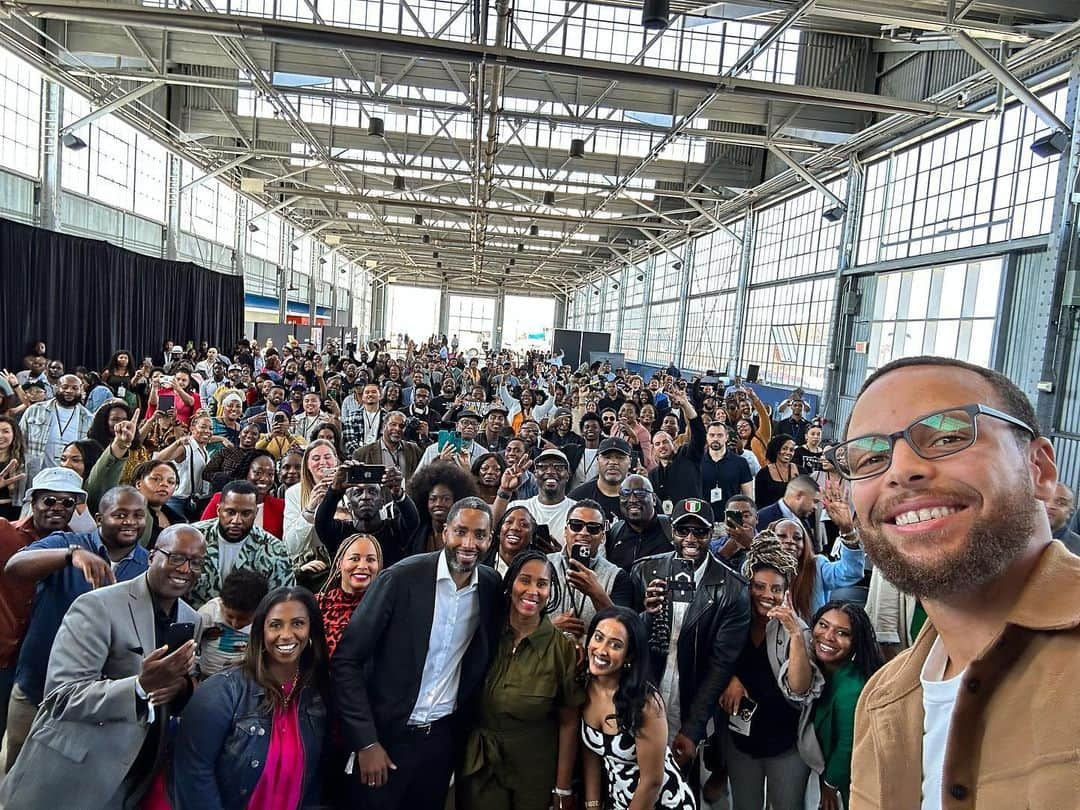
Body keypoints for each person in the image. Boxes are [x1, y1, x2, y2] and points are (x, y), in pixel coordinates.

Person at [838, 356, 1073, 808]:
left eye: (948, 436)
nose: (900, 469)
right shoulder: (881, 703)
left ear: (1039, 469)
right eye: (869, 457)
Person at [0, 523, 204, 810]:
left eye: (196, 562)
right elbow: (60, 697)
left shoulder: (192, 619)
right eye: (176, 558)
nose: (185, 569)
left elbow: (174, 690)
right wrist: (139, 687)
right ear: (151, 556)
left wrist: (182, 688)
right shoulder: (97, 605)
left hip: (133, 779)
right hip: (72, 775)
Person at [332, 496, 503, 809]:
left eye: (479, 535)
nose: (469, 543)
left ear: (490, 539)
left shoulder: (490, 587)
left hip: (440, 742)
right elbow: (347, 661)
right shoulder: (400, 579)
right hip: (384, 739)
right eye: (461, 531)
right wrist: (366, 741)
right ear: (444, 532)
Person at [3, 485, 150, 768]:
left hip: (92, 702)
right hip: (37, 687)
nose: (130, 522)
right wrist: (70, 556)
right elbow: (15, 566)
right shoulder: (66, 542)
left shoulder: (147, 567)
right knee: (18, 773)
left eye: (137, 515)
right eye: (120, 515)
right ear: (99, 517)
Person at [172, 587, 330, 810]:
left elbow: (315, 781)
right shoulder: (222, 691)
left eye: (298, 623)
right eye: (275, 625)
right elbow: (194, 772)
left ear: (311, 630)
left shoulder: (317, 695)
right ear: (260, 631)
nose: (286, 634)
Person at [457, 550, 584, 810]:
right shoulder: (484, 634)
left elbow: (569, 722)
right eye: (524, 580)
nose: (533, 591)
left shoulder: (562, 649)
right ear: (511, 583)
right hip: (481, 766)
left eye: (542, 584)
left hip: (534, 770)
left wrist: (562, 787)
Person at [634, 498, 751, 771]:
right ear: (671, 532)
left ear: (712, 534)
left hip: (690, 701)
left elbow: (721, 664)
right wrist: (647, 616)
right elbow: (626, 637)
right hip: (644, 697)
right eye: (682, 530)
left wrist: (693, 729)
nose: (690, 538)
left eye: (699, 532)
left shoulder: (733, 589)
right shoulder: (643, 571)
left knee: (681, 785)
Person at [720, 534, 821, 810]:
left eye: (776, 589)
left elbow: (800, 689)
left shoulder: (796, 627)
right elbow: (712, 658)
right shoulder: (732, 618)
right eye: (759, 586)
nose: (767, 595)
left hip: (785, 741)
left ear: (786, 591)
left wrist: (796, 635)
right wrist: (730, 679)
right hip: (740, 739)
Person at [580, 606, 696, 810]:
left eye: (615, 645)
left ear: (629, 656)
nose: (601, 650)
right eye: (598, 638)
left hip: (660, 803)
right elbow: (591, 752)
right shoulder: (584, 685)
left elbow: (652, 782)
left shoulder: (646, 704)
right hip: (618, 801)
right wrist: (592, 805)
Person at [0, 467, 80, 732]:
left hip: (41, 666)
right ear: (33, 502)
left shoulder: (82, 549)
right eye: (49, 500)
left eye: (67, 502)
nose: (57, 507)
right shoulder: (4, 533)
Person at [800, 601, 884, 810]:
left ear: (856, 642)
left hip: (851, 783)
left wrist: (830, 784)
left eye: (842, 633)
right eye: (823, 625)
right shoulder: (815, 668)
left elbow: (848, 745)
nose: (828, 636)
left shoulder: (852, 689)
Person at [187, 481, 295, 609]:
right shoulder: (191, 538)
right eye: (230, 512)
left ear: (256, 513)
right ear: (218, 510)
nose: (236, 521)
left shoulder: (274, 549)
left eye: (245, 514)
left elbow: (283, 602)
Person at [547, 499, 635, 642]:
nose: (584, 532)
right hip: (544, 658)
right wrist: (550, 628)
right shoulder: (542, 564)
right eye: (576, 526)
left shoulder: (618, 576)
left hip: (592, 659)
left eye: (593, 528)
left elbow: (622, 630)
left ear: (602, 536)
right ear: (565, 531)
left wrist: (596, 593)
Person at [316, 533, 383, 657]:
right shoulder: (317, 604)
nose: (363, 566)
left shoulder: (385, 608)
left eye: (370, 560)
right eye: (355, 558)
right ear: (339, 563)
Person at [18, 374, 92, 482]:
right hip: (36, 477)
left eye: (75, 388)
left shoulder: (89, 419)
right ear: (56, 388)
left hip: (70, 479)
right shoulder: (34, 411)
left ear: (81, 390)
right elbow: (19, 443)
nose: (69, 391)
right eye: (65, 387)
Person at [197, 568, 268, 678]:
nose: (235, 624)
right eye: (229, 616)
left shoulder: (264, 620)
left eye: (243, 619)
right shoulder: (208, 614)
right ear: (222, 602)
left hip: (244, 678)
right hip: (208, 677)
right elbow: (188, 647)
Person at [199, 450, 285, 539]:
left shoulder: (280, 506)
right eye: (258, 473)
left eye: (270, 474)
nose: (265, 478)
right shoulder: (222, 498)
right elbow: (202, 533)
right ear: (246, 472)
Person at [501, 447, 576, 548]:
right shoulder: (517, 507)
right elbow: (490, 529)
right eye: (543, 467)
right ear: (535, 474)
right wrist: (505, 491)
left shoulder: (578, 511)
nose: (550, 471)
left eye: (558, 467)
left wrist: (560, 558)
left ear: (568, 475)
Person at [282, 438, 339, 561]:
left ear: (336, 461)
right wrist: (309, 510)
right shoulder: (294, 493)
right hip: (312, 563)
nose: (323, 462)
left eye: (328, 457)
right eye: (316, 458)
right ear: (307, 464)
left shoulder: (350, 489)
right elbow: (290, 547)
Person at [648, 388, 705, 511]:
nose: (662, 446)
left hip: (692, 518)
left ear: (673, 443)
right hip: (664, 524)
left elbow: (699, 433)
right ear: (654, 449)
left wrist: (685, 404)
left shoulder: (687, 454)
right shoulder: (653, 475)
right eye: (657, 444)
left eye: (665, 442)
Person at [605, 474, 673, 572]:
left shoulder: (671, 531)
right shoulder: (615, 533)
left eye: (640, 493)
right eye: (625, 493)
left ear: (654, 499)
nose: (632, 500)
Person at [756, 474, 829, 555]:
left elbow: (812, 554)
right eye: (814, 501)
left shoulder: (804, 520)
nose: (815, 507)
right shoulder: (762, 518)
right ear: (799, 496)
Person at [568, 437, 632, 522]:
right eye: (607, 457)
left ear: (630, 462)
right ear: (597, 460)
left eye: (620, 457)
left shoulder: (642, 498)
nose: (613, 462)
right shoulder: (577, 498)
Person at [353, 410, 423, 485]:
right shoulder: (362, 453)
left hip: (405, 496)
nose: (397, 429)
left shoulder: (414, 449)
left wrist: (424, 437)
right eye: (393, 424)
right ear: (383, 427)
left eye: (401, 426)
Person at [701, 421, 754, 518]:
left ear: (726, 437)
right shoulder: (697, 463)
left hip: (731, 520)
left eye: (720, 435)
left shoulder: (740, 462)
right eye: (712, 435)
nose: (715, 438)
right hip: (704, 520)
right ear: (706, 437)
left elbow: (748, 497)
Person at [482, 504, 536, 575]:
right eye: (509, 522)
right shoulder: (479, 562)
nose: (515, 527)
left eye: (523, 524)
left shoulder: (538, 567)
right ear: (499, 531)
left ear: (532, 536)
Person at [710, 494, 759, 573]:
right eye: (733, 516)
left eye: (746, 516)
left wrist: (752, 545)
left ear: (756, 518)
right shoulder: (712, 546)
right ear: (725, 518)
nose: (741, 521)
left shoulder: (772, 544)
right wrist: (724, 554)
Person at [754, 434, 800, 510]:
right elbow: (759, 503)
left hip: (796, 517)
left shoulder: (801, 471)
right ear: (776, 449)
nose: (788, 452)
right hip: (771, 517)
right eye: (784, 448)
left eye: (791, 450)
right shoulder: (763, 474)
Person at [342, 383, 387, 455]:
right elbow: (349, 441)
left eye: (374, 392)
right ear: (362, 397)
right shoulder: (351, 417)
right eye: (367, 392)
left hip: (382, 457)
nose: (370, 394)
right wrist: (362, 456)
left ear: (380, 396)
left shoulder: (387, 418)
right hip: (358, 459)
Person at [0, 416, 27, 520]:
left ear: (14, 434)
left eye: (5, 431)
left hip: (16, 514)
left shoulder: (26, 462)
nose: (0, 436)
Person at [1044, 481, 1080, 554]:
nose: (1050, 506)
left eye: (1060, 503)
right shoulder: (1021, 538)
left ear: (1070, 512)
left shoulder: (1077, 548)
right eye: (1045, 500)